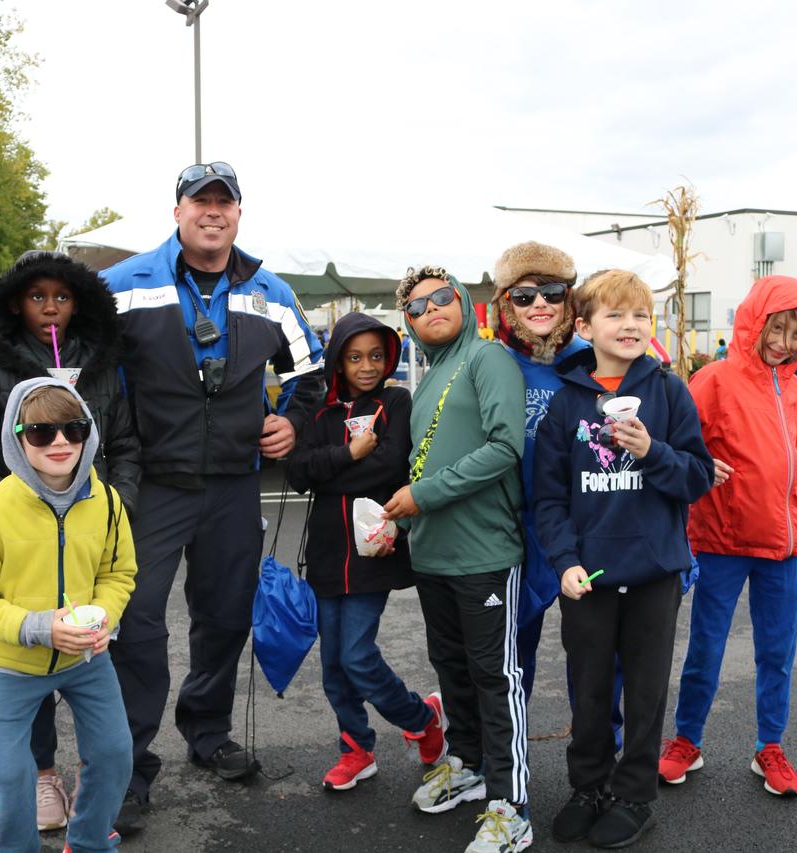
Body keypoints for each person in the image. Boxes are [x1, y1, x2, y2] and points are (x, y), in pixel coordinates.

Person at [99, 162, 324, 833]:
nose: (213, 212)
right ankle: (129, 767)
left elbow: (310, 370)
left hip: (233, 482)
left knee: (224, 615)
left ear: (238, 215)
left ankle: (207, 729)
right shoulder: (124, 284)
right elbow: (92, 380)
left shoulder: (270, 290)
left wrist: (295, 420)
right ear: (178, 212)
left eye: (225, 203)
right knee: (134, 622)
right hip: (151, 486)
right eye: (201, 201)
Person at [0, 249, 140, 830]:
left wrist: (114, 509)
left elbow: (124, 443)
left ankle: (93, 811)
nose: (51, 308)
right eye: (38, 297)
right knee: (24, 685)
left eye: (61, 297)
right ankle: (41, 776)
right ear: (16, 304)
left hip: (88, 521)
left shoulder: (102, 364)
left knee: (100, 698)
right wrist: (11, 506)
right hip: (19, 557)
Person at [534, 269, 713, 849]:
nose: (630, 325)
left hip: (656, 574)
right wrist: (564, 561)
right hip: (588, 575)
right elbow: (550, 497)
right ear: (585, 327)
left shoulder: (669, 391)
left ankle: (635, 795)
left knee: (645, 691)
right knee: (588, 691)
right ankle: (588, 786)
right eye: (614, 315)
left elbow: (697, 478)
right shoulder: (566, 404)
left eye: (640, 314)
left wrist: (651, 450)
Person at [384, 265, 533, 853]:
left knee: (497, 677)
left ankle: (511, 804)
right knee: (452, 668)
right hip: (434, 555)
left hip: (485, 554)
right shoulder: (432, 374)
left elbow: (505, 447)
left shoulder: (488, 358)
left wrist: (423, 495)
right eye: (416, 310)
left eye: (440, 299)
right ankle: (468, 764)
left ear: (464, 302)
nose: (430, 312)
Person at [659, 276, 797, 799]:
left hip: (784, 545)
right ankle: (687, 741)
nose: (785, 342)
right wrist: (702, 462)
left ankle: (769, 746)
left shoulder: (795, 388)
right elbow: (676, 443)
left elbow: (792, 441)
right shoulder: (713, 379)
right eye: (777, 328)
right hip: (722, 540)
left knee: (777, 651)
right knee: (705, 646)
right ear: (756, 323)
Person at [285, 311, 446, 792]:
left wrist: (331, 471)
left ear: (390, 357)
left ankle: (421, 719)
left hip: (375, 551)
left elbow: (392, 464)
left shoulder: (397, 401)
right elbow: (296, 474)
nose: (367, 365)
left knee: (356, 656)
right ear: (338, 359)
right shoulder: (320, 409)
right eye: (354, 357)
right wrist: (349, 456)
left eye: (377, 355)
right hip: (328, 554)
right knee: (333, 666)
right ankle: (356, 749)